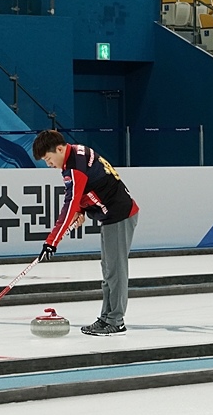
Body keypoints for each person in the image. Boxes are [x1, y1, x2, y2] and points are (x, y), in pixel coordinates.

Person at [31, 130, 139, 336]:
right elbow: (89, 188)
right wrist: (82, 210)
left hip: (119, 215)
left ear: (60, 149)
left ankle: (116, 320)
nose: (48, 164)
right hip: (111, 216)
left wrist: (51, 241)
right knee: (108, 271)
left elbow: (69, 205)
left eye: (48, 158)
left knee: (115, 271)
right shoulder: (77, 153)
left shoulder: (74, 166)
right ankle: (106, 317)